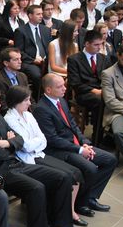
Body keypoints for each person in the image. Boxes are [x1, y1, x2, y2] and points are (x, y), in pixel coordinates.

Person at [0, 86, 83, 227]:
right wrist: (11, 144)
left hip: (16, 163)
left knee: (63, 177)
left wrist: (7, 143)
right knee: (36, 188)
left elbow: (20, 139)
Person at [32, 74, 117, 217]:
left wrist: (85, 143)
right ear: (48, 89)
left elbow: (73, 125)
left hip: (75, 145)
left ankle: (90, 197)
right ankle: (80, 204)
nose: (64, 89)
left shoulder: (61, 101)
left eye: (64, 85)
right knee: (90, 168)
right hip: (59, 150)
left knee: (110, 159)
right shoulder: (42, 109)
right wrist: (79, 150)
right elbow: (52, 139)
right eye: (60, 87)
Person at [4, 86, 87, 227]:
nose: (29, 103)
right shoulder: (9, 119)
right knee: (64, 176)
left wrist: (35, 142)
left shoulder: (28, 115)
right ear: (16, 102)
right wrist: (35, 142)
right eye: (26, 100)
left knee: (76, 172)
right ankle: (60, 217)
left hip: (39, 153)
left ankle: (70, 211)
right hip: (27, 159)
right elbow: (25, 146)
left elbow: (43, 139)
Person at [101, 43, 123, 175]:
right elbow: (110, 101)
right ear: (118, 56)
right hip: (120, 111)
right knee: (119, 133)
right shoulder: (108, 74)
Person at [66, 30, 108, 134]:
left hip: (102, 91)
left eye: (101, 44)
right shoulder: (74, 59)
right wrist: (94, 91)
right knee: (100, 101)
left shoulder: (103, 58)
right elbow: (74, 83)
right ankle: (97, 135)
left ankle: (110, 133)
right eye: (96, 45)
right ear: (87, 44)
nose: (99, 47)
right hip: (84, 93)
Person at [13, 4, 50, 91]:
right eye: (38, 14)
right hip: (30, 62)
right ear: (30, 15)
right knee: (37, 75)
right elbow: (19, 51)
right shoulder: (21, 31)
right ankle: (38, 96)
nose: (41, 16)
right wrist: (33, 60)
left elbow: (49, 47)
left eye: (41, 14)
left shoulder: (45, 29)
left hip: (46, 60)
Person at [0, 47, 29, 113]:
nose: (20, 62)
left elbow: (29, 97)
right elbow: (3, 104)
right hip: (11, 114)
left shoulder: (22, 76)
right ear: (6, 63)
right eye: (16, 59)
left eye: (20, 59)